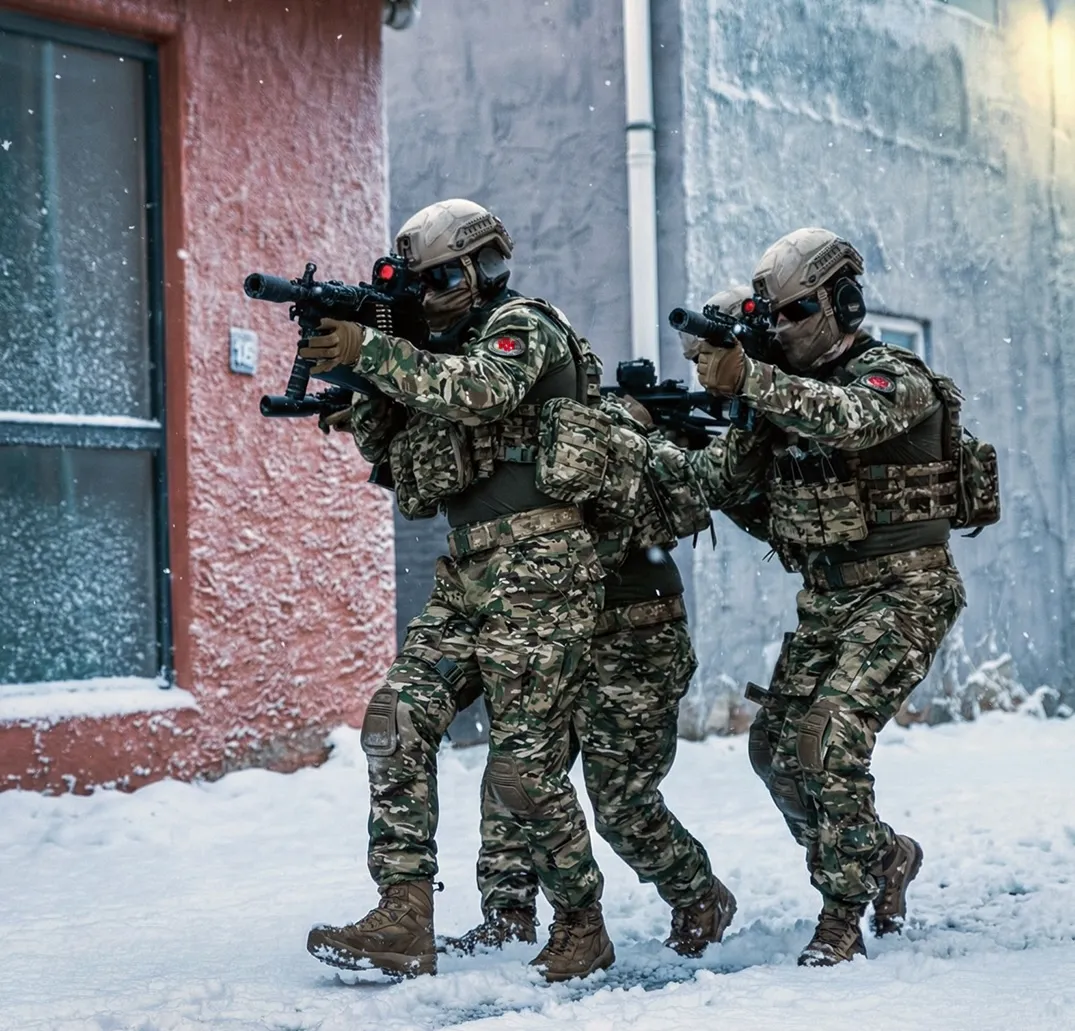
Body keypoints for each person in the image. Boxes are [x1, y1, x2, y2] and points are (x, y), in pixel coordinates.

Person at [301, 198, 619, 983]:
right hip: (468, 571)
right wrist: (357, 376)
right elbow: (391, 450)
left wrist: (375, 349)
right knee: (395, 718)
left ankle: (581, 923)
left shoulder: (521, 327)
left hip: (543, 568)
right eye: (421, 283)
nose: (430, 295)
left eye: (443, 279)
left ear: (486, 268)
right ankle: (403, 914)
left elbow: (481, 390)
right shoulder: (426, 355)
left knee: (523, 767)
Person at [685, 228, 992, 966]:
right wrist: (721, 409)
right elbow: (716, 484)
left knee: (826, 739)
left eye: (797, 311)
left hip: (906, 586)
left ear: (842, 303)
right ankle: (883, 856)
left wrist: (753, 380)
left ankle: (840, 915)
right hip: (828, 596)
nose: (786, 327)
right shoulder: (782, 390)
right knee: (774, 750)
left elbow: (848, 419)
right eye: (776, 317)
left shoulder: (892, 374)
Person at [443, 395, 737, 961]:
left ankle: (700, 897)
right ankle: (508, 916)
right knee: (515, 775)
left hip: (632, 630)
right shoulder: (497, 429)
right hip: (547, 629)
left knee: (622, 802)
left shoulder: (597, 433)